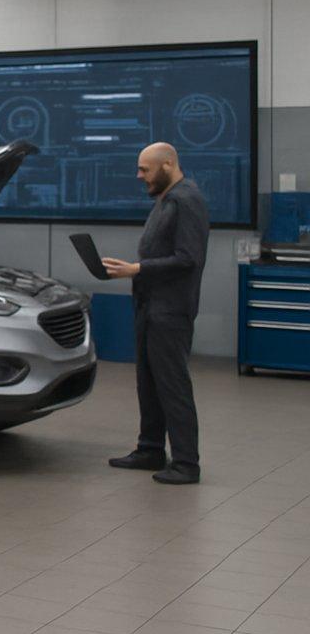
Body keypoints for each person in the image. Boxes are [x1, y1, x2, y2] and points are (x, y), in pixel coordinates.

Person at [102, 142, 209, 485]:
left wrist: (137, 268)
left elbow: (187, 258)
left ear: (168, 164)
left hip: (171, 310)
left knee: (172, 385)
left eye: (145, 169)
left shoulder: (186, 198)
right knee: (148, 383)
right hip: (150, 306)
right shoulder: (166, 197)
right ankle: (150, 449)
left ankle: (186, 463)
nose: (139, 176)